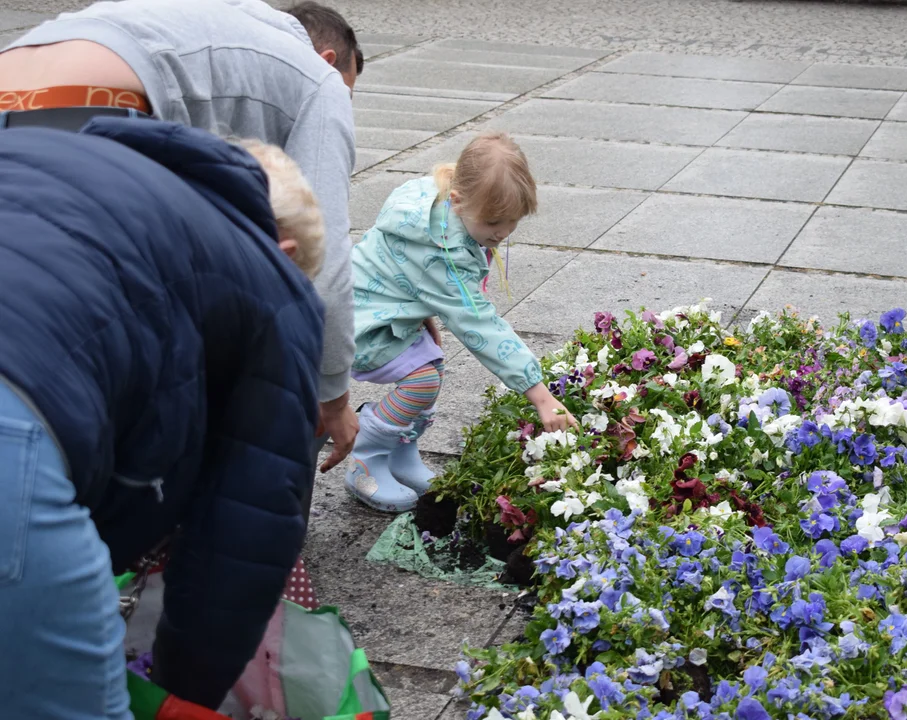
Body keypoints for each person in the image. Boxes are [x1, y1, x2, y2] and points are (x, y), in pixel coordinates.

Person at [0, 117, 325, 717]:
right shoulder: (273, 280)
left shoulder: (53, 161)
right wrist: (180, 692)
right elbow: (246, 531)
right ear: (285, 252)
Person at [0, 0, 363, 475]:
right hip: (98, 97)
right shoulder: (322, 83)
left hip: (18, 64)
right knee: (87, 341)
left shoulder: (221, 33)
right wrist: (332, 394)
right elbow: (326, 262)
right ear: (331, 61)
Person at [345, 132, 579, 512]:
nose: (501, 233)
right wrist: (540, 395)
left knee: (431, 368)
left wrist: (418, 310)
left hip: (382, 308)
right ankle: (366, 456)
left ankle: (400, 456)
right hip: (361, 325)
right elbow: (479, 324)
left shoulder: (435, 201)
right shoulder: (443, 254)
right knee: (421, 381)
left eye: (512, 222)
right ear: (458, 201)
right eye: (493, 222)